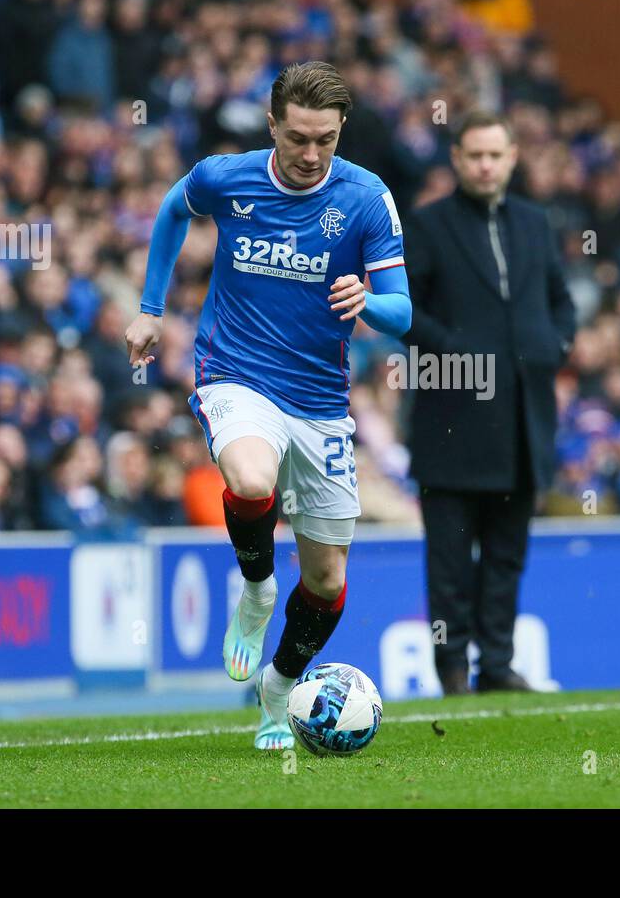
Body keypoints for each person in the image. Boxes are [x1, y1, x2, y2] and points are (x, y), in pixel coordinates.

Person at [124, 61, 411, 750]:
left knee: (326, 577)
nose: (312, 155)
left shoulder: (367, 198)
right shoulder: (228, 178)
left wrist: (368, 302)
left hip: (319, 400)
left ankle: (280, 687)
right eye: (298, 139)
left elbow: (402, 312)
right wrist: (149, 309)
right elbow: (172, 210)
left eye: (327, 140)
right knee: (251, 480)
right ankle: (255, 587)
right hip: (234, 372)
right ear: (273, 126)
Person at [403, 110, 576, 695]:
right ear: (455, 158)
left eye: (494, 155)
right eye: (473, 154)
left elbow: (560, 298)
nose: (484, 165)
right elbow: (404, 312)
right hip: (451, 420)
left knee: (506, 554)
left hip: (525, 420)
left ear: (512, 157)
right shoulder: (427, 226)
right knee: (449, 559)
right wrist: (456, 351)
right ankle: (452, 669)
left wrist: (558, 343)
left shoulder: (534, 222)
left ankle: (497, 664)